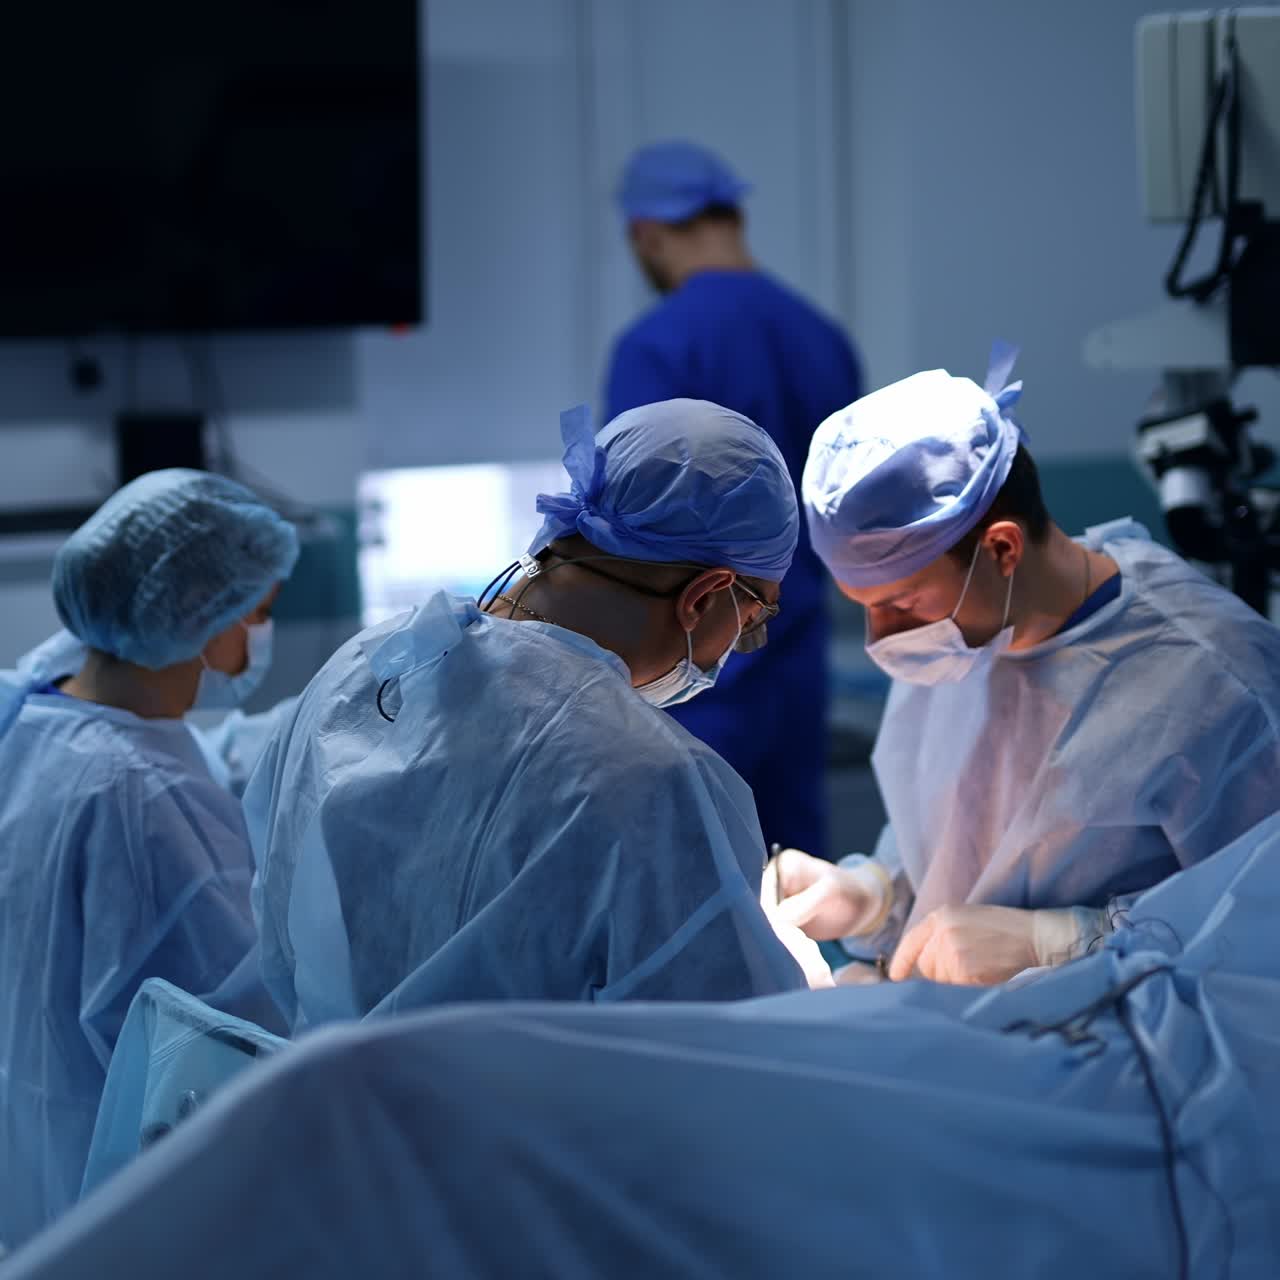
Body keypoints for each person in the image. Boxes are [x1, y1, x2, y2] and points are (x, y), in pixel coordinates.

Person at [10, 807, 1280, 1278]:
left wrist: (1064, 938)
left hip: (1122, 1132)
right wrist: (890, 897)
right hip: (1027, 1072)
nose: (893, 627)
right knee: (370, 1113)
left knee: (374, 1116)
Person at [243, 399, 809, 1034]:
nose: (735, 648)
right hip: (525, 1105)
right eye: (751, 619)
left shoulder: (367, 664)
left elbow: (279, 920)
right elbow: (732, 1046)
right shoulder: (652, 778)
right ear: (704, 597)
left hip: (318, 1091)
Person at [775, 346, 1280, 986]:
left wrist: (1068, 943)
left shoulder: (1216, 683)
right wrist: (872, 894)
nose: (883, 638)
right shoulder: (959, 641)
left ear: (1002, 549)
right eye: (864, 607)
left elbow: (1259, 934)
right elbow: (960, 852)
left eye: (899, 603)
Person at [0, 468, 298, 1250]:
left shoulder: (32, 718)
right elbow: (233, 1039)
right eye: (259, 610)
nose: (259, 634)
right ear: (202, 610)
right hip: (112, 1205)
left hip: (28, 1176)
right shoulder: (146, 802)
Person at [606, 140, 863, 857]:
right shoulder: (823, 338)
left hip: (697, 667)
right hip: (796, 658)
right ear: (734, 216)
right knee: (795, 878)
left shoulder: (658, 346)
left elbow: (631, 527)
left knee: (688, 870)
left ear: (645, 234)